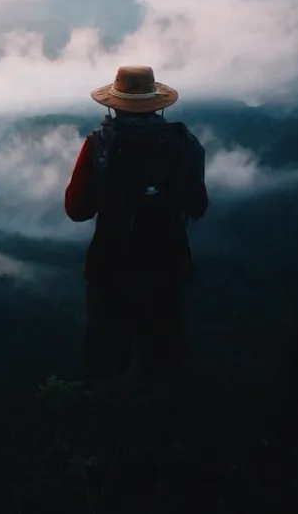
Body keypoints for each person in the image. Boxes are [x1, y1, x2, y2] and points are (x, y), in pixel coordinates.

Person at [64, 64, 208, 462]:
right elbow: (198, 205)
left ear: (114, 106)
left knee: (107, 366)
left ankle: (105, 460)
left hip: (110, 269)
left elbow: (76, 209)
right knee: (162, 364)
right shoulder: (183, 144)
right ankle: (164, 457)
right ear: (157, 106)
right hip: (167, 268)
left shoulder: (98, 146)